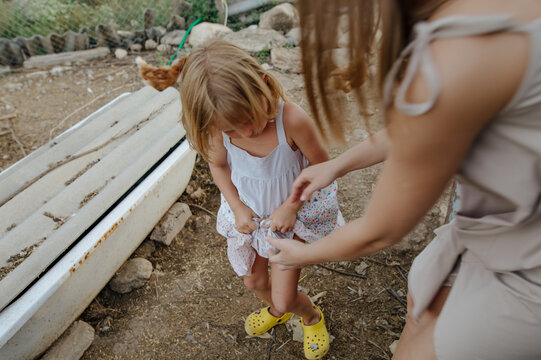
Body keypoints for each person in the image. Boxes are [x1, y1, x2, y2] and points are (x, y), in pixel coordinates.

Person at [267, 0, 541, 359]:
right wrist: (337, 165)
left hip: (527, 268)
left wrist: (302, 254)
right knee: (423, 293)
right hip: (504, 227)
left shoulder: (456, 54)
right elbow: (411, 132)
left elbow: (380, 230)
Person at [167, 39, 344, 359]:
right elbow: (218, 165)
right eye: (233, 132)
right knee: (253, 280)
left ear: (263, 86)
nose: (246, 134)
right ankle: (277, 308)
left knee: (287, 295)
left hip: (292, 215)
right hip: (250, 215)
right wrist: (237, 206)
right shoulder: (217, 130)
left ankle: (308, 315)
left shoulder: (290, 120)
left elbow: (321, 166)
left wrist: (292, 205)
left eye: (250, 120)